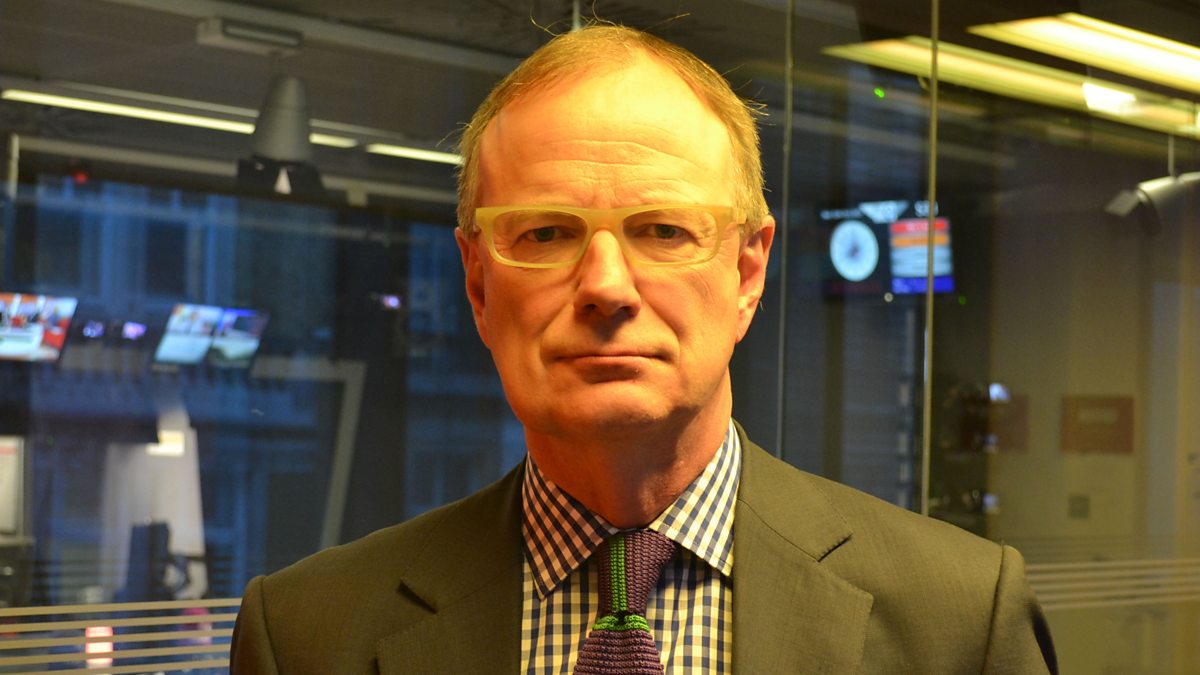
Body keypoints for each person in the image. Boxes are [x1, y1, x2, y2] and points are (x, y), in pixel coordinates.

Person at [230, 25, 1057, 674]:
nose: (606, 286)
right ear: (478, 283)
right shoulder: (306, 635)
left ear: (747, 273)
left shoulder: (960, 618)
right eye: (545, 233)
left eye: (663, 230)